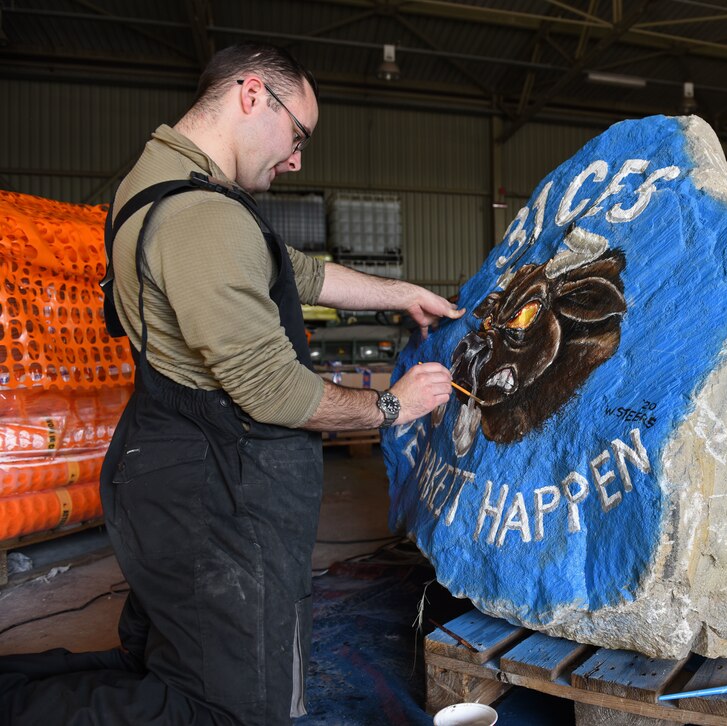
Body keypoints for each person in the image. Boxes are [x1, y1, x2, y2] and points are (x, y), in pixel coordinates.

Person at [0, 42, 463, 725]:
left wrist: (399, 292)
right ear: (252, 95)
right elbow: (273, 391)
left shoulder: (166, 185)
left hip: (171, 468)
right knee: (224, 711)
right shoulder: (203, 218)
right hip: (208, 493)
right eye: (297, 135)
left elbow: (295, 272)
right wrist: (395, 406)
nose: (298, 157)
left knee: (175, 666)